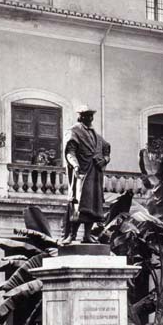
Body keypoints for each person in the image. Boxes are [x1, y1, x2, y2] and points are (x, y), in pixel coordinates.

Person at [62, 104, 111, 245]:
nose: (90, 118)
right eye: (87, 115)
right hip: (82, 173)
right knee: (79, 204)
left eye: (91, 115)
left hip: (95, 174)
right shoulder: (74, 131)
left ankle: (87, 235)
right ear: (81, 116)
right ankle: (72, 235)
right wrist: (75, 165)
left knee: (93, 206)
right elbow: (69, 151)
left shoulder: (96, 135)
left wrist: (105, 160)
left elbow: (107, 149)